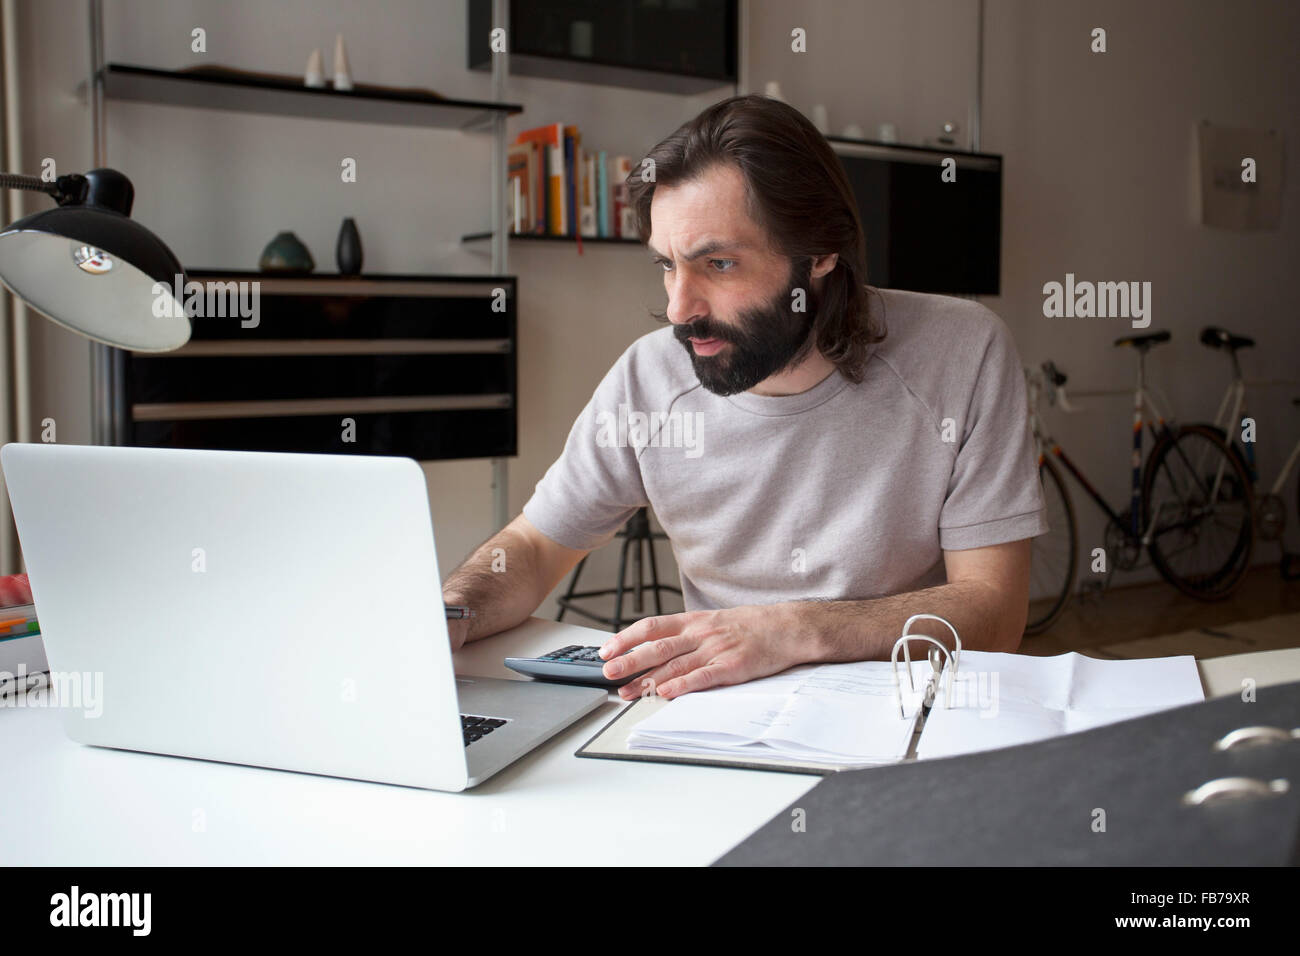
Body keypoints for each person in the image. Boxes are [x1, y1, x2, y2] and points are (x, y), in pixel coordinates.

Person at [443, 94, 1046, 701]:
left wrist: (792, 629)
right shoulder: (647, 380)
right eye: (667, 266)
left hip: (905, 707)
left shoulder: (961, 352)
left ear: (821, 253)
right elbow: (533, 546)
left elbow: (994, 610)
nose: (680, 309)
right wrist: (452, 615)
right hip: (718, 719)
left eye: (720, 263)